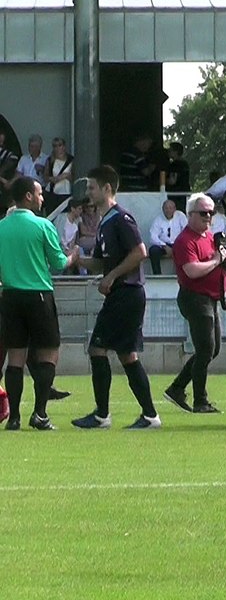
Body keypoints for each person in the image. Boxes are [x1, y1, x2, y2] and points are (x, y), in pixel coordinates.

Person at [70, 165, 160, 430]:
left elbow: (140, 252)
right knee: (125, 354)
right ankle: (145, 415)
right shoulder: (104, 221)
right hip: (122, 294)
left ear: (106, 188)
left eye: (92, 187)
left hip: (127, 293)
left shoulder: (121, 218)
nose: (88, 193)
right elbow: (102, 262)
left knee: (99, 348)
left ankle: (105, 415)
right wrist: (78, 261)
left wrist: (112, 277)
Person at [0, 176, 69, 430]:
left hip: (9, 297)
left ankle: (15, 417)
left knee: (16, 357)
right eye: (39, 194)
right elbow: (59, 263)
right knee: (49, 352)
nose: (42, 198)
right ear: (28, 196)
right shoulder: (42, 225)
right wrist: (72, 257)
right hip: (38, 296)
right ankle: (40, 414)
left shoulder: (1, 227)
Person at [164, 192, 226, 414]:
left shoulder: (210, 237)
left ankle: (177, 387)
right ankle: (200, 400)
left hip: (210, 298)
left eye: (212, 212)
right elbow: (191, 270)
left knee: (213, 349)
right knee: (206, 349)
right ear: (190, 214)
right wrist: (216, 260)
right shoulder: (185, 240)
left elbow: (219, 263)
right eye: (203, 212)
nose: (208, 216)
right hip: (195, 297)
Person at [147, 199, 187, 275]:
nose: (168, 210)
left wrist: (177, 246)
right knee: (153, 250)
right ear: (163, 209)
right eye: (166, 208)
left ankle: (181, 275)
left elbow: (186, 231)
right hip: (164, 245)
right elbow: (153, 237)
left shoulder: (180, 216)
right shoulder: (158, 219)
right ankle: (157, 275)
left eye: (170, 208)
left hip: (178, 243)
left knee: (185, 250)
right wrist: (164, 246)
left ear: (175, 209)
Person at [42, 137, 73, 213]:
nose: (58, 148)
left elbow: (74, 177)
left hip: (66, 192)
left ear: (64, 146)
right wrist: (55, 179)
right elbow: (45, 177)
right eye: (55, 146)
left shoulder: (71, 160)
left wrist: (65, 176)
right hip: (52, 193)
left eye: (60, 145)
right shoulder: (50, 160)